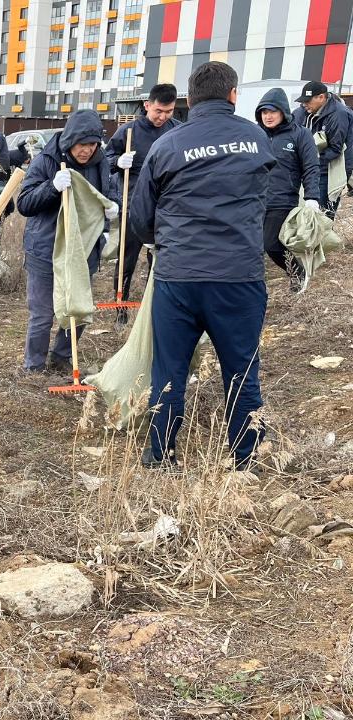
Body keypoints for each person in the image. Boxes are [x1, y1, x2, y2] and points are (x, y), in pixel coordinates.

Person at [130, 61, 276, 470]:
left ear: (188, 101)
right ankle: (247, 459)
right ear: (233, 95)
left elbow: (141, 219)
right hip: (239, 277)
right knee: (242, 369)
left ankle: (160, 455)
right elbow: (267, 200)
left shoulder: (167, 145)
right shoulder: (256, 139)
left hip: (179, 278)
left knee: (170, 370)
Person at [17, 110, 117, 374]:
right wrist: (51, 187)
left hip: (83, 249)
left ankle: (61, 357)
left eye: (92, 145)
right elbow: (24, 204)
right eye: (82, 144)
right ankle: (33, 366)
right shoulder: (46, 161)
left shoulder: (101, 162)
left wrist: (109, 215)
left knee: (79, 307)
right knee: (43, 313)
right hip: (46, 249)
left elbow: (106, 194)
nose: (86, 150)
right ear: (70, 140)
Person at [105, 83, 181, 325]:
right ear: (147, 105)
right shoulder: (128, 131)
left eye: (168, 111)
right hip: (132, 205)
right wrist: (118, 162)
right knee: (127, 259)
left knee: (158, 260)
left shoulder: (177, 131)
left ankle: (152, 308)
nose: (163, 117)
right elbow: (104, 160)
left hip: (165, 207)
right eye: (159, 110)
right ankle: (121, 308)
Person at [255, 88, 321, 290]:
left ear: (283, 111)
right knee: (253, 247)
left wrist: (312, 197)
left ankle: (298, 273)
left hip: (282, 199)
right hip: (254, 200)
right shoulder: (256, 135)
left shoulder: (300, 135)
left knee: (271, 244)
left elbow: (311, 167)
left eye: (272, 111)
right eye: (264, 112)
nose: (268, 116)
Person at [293, 80, 352, 219]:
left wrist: (310, 161)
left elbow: (335, 148)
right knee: (301, 211)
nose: (304, 104)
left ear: (321, 97)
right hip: (307, 166)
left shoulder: (339, 114)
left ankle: (323, 238)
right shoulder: (301, 112)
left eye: (308, 101)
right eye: (303, 101)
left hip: (330, 168)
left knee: (322, 213)